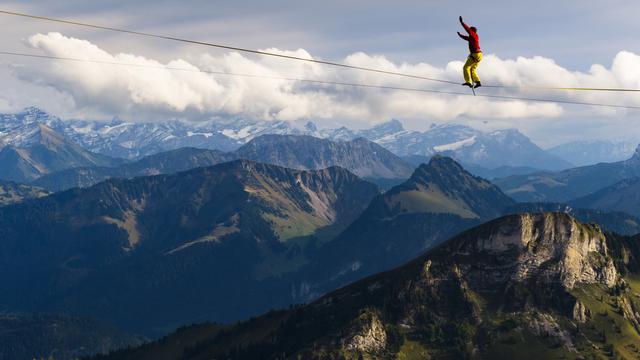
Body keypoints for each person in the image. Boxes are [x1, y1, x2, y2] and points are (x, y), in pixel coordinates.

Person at [457, 16, 482, 89]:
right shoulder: (472, 38)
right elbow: (466, 38)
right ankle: (478, 82)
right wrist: (460, 35)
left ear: (472, 32)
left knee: (466, 67)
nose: (469, 34)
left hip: (475, 55)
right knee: (472, 69)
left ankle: (469, 82)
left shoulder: (474, 35)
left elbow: (468, 30)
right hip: (479, 55)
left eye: (470, 32)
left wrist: (462, 23)